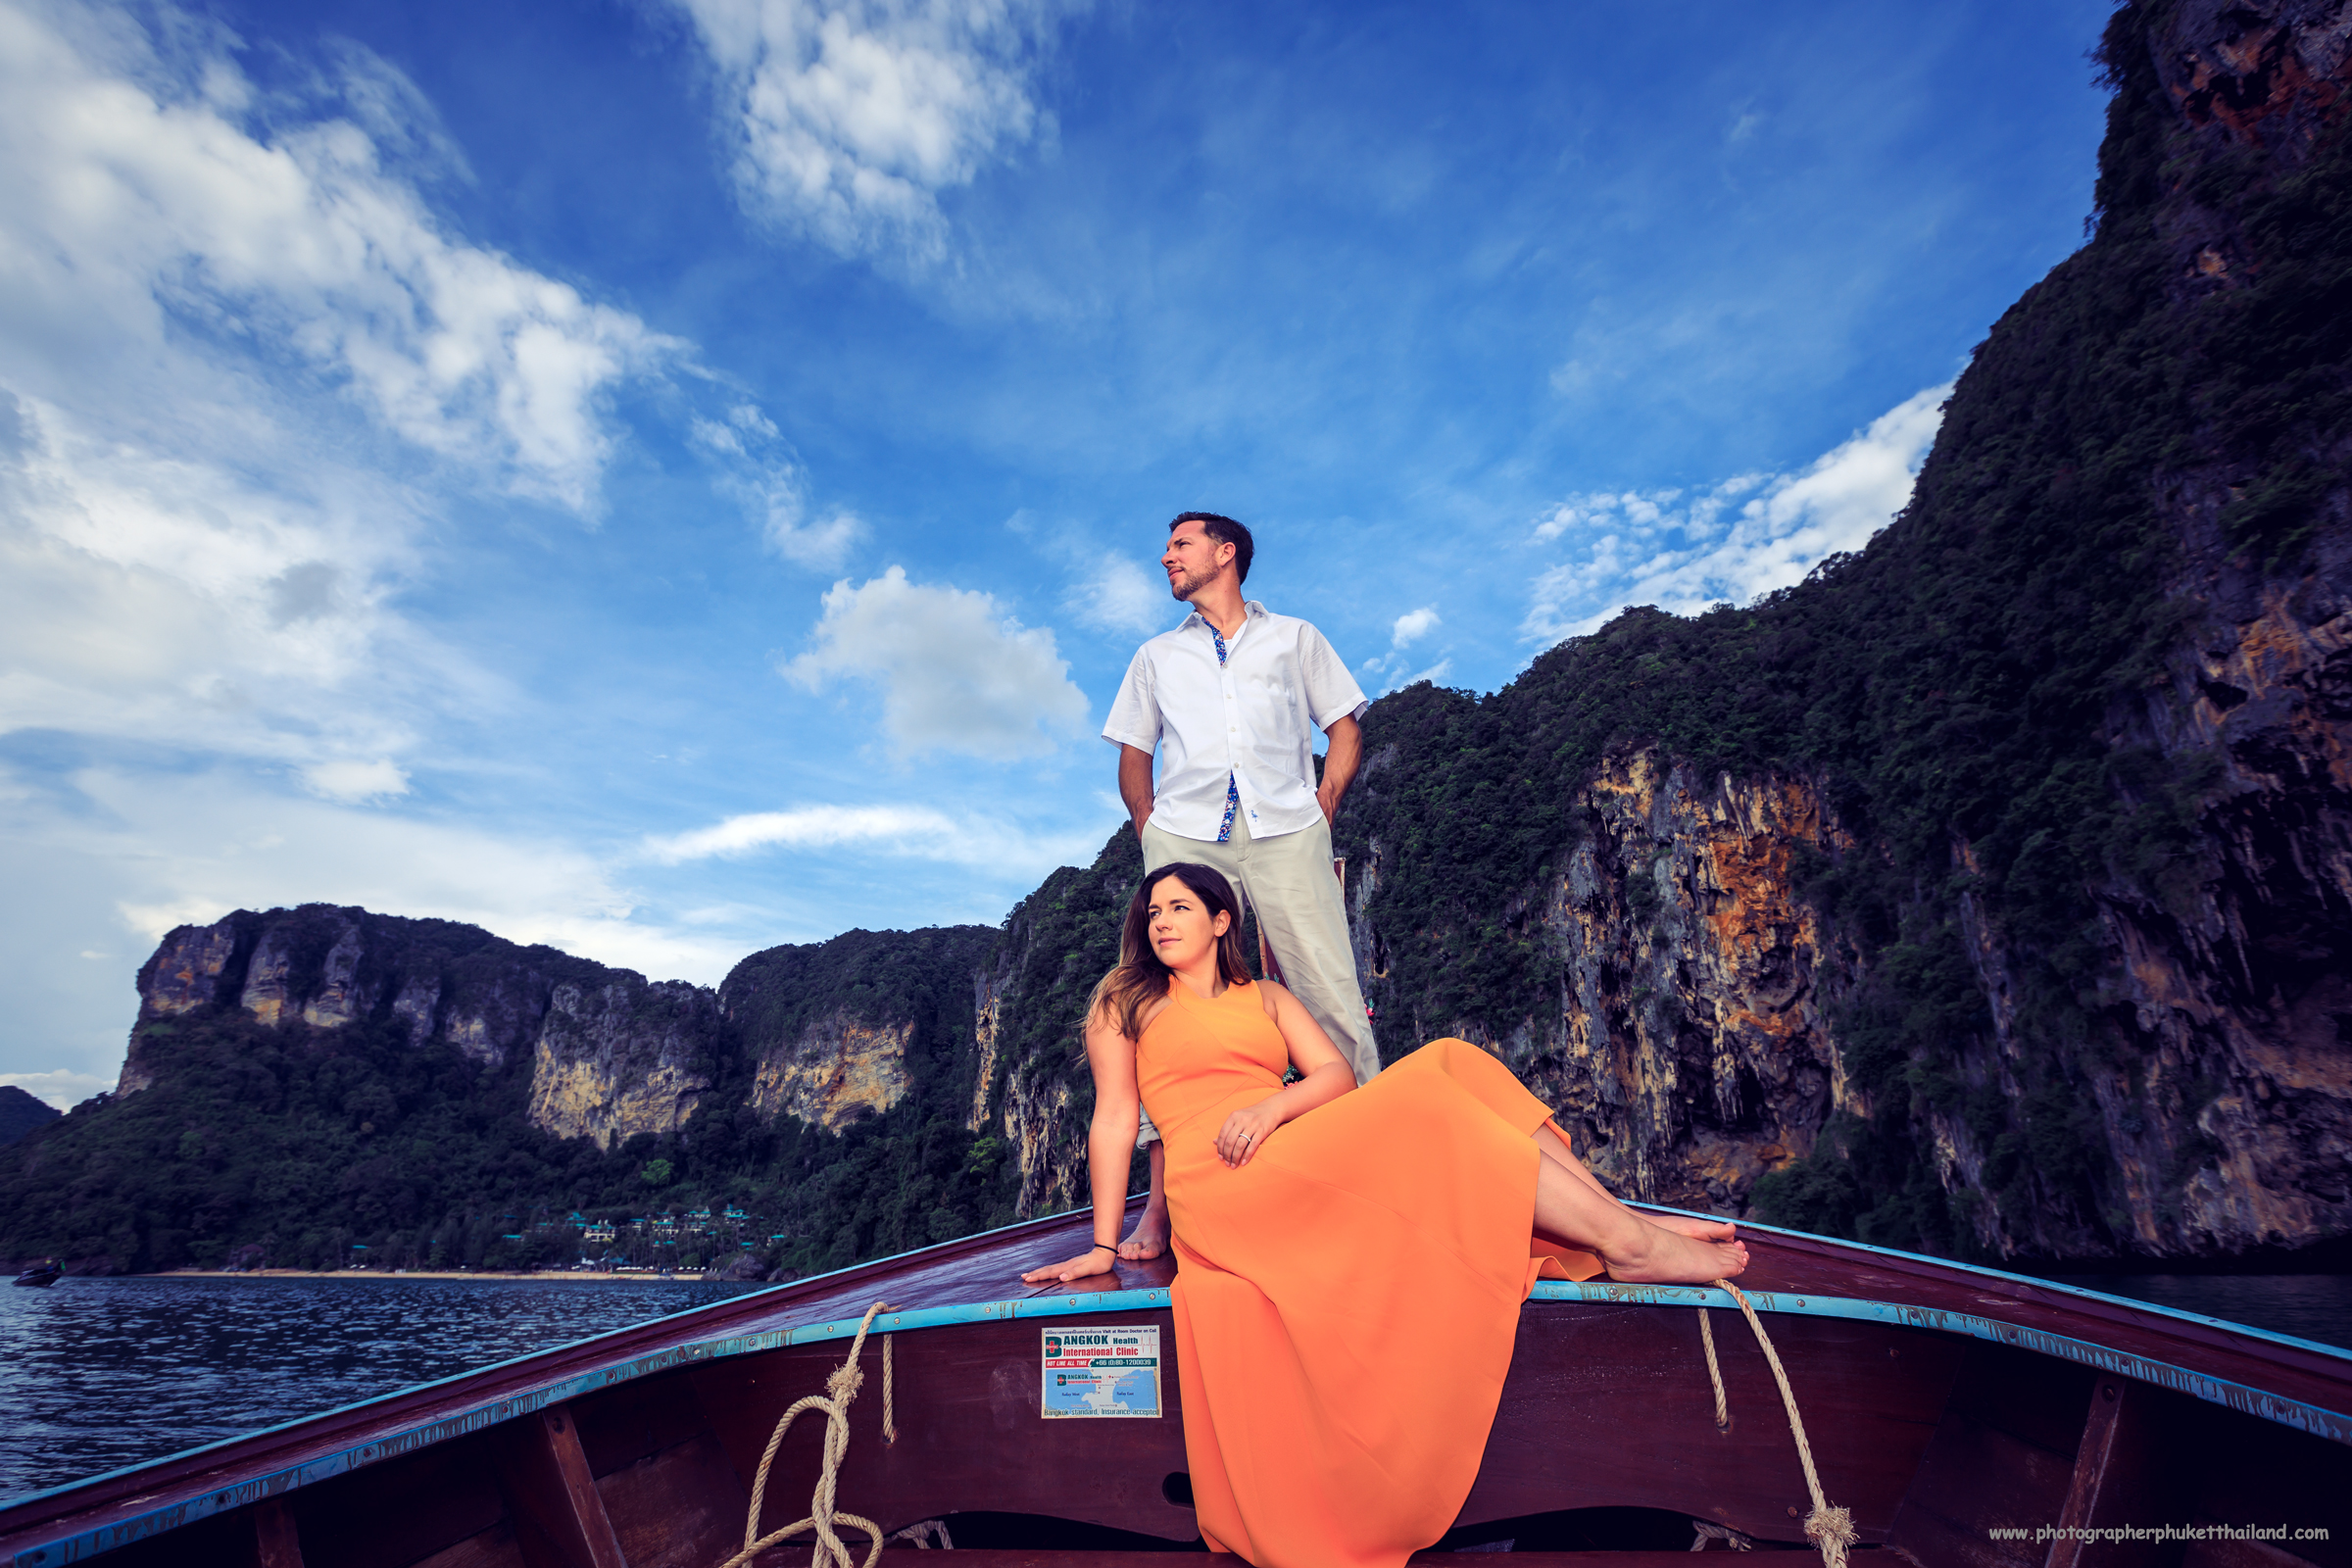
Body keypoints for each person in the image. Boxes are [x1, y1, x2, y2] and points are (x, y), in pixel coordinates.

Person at [1022, 862, 1749, 1568]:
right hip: (1222, 1183)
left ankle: (1621, 1226)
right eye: (1152, 912)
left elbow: (1333, 1077)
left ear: (1221, 921)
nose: (1161, 922)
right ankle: (1628, 1240)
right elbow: (1115, 1120)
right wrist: (1101, 1243)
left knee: (1454, 1062)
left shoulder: (1266, 996)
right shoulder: (1126, 1002)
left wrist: (1272, 1104)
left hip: (1285, 1139)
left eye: (1179, 907)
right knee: (1431, 1105)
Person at [1102, 511, 1379, 1260]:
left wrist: (1321, 810)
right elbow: (1134, 750)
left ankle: (1376, 1168)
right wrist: (1149, 830)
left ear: (1225, 554)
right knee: (1165, 1006)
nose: (1166, 558)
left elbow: (1345, 728)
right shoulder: (1156, 655)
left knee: (1330, 991)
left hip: (1288, 827)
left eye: (1180, 545)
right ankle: (1158, 1210)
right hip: (1186, 833)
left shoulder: (1296, 637)